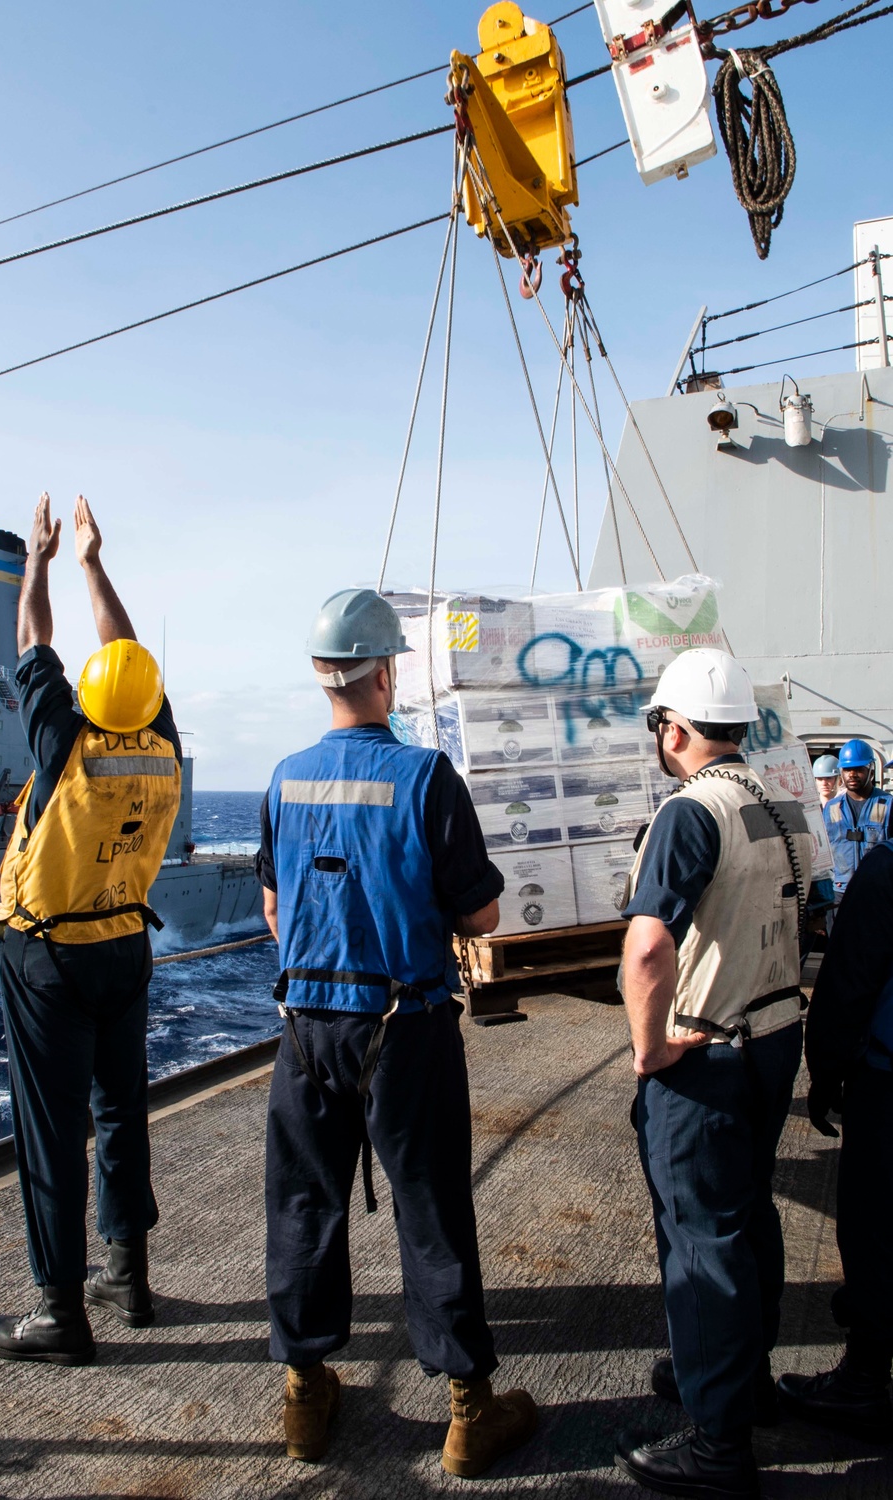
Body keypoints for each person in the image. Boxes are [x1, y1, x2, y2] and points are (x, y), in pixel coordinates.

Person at [256, 587, 536, 1478]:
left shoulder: (282, 778)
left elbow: (273, 908)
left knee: (303, 1207)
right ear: (385, 674)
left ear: (320, 677)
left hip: (305, 1031)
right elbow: (482, 913)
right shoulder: (425, 777)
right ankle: (467, 1410)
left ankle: (305, 1396)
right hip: (402, 1028)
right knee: (432, 1210)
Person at [0, 493, 182, 1365]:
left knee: (50, 1129)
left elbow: (32, 641)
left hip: (48, 954)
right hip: (124, 946)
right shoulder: (164, 744)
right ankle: (126, 1276)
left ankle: (61, 1312)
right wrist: (97, 562)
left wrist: (41, 561)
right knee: (121, 1112)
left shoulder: (63, 741)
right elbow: (127, 660)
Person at [613, 648, 814, 1500]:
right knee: (746, 1215)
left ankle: (719, 1444)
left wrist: (650, 1047)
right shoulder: (786, 806)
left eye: (661, 726)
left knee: (703, 1240)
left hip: (710, 1052)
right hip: (776, 1033)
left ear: (677, 728)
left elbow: (650, 942)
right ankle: (745, 1379)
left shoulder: (691, 814)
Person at [777, 840, 893, 1440]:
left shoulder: (886, 868)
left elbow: (849, 982)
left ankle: (866, 1378)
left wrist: (825, 1071)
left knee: (875, 1227)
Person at [824, 739, 892, 898]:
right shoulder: (831, 808)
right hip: (840, 891)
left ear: (870, 770)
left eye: (858, 769)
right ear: (841, 772)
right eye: (847, 769)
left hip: (878, 891)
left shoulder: (888, 804)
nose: (852, 774)